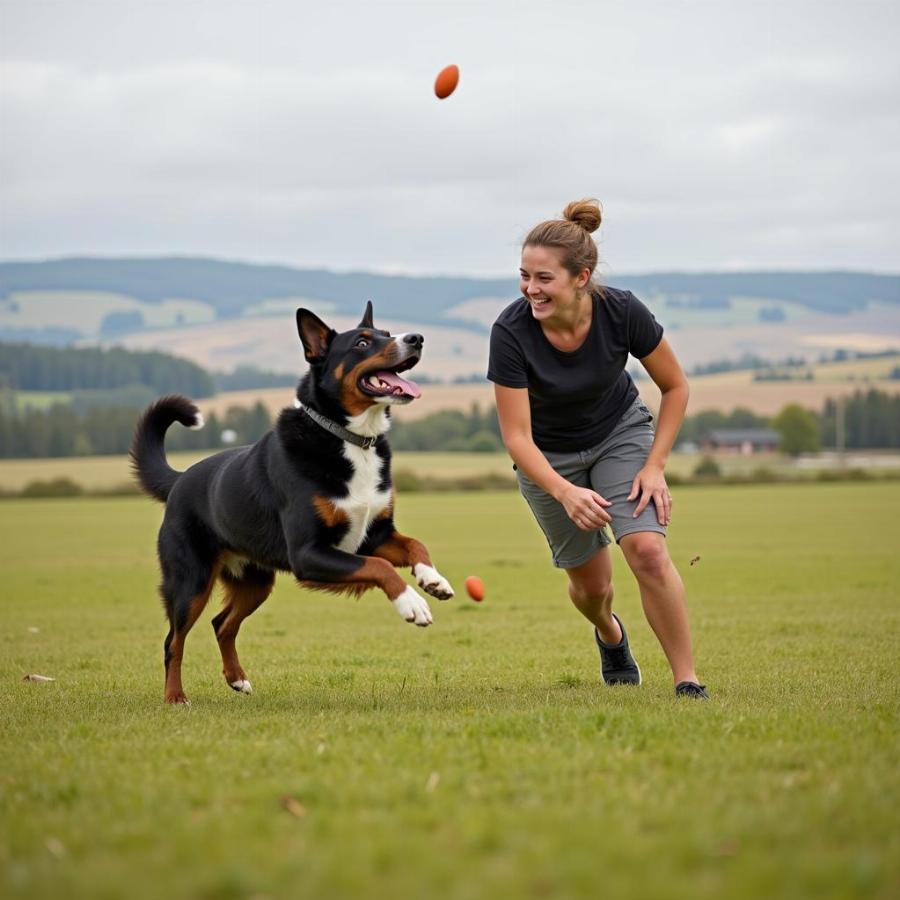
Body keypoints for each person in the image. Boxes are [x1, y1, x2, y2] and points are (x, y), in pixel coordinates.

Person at [487, 198, 708, 699]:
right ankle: (610, 633)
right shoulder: (511, 330)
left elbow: (676, 387)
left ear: (581, 277)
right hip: (549, 458)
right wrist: (565, 492)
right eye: (524, 276)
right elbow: (517, 437)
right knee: (592, 588)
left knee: (648, 552)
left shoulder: (622, 310)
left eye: (544, 278)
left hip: (620, 436)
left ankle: (687, 680)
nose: (530, 289)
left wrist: (655, 467)